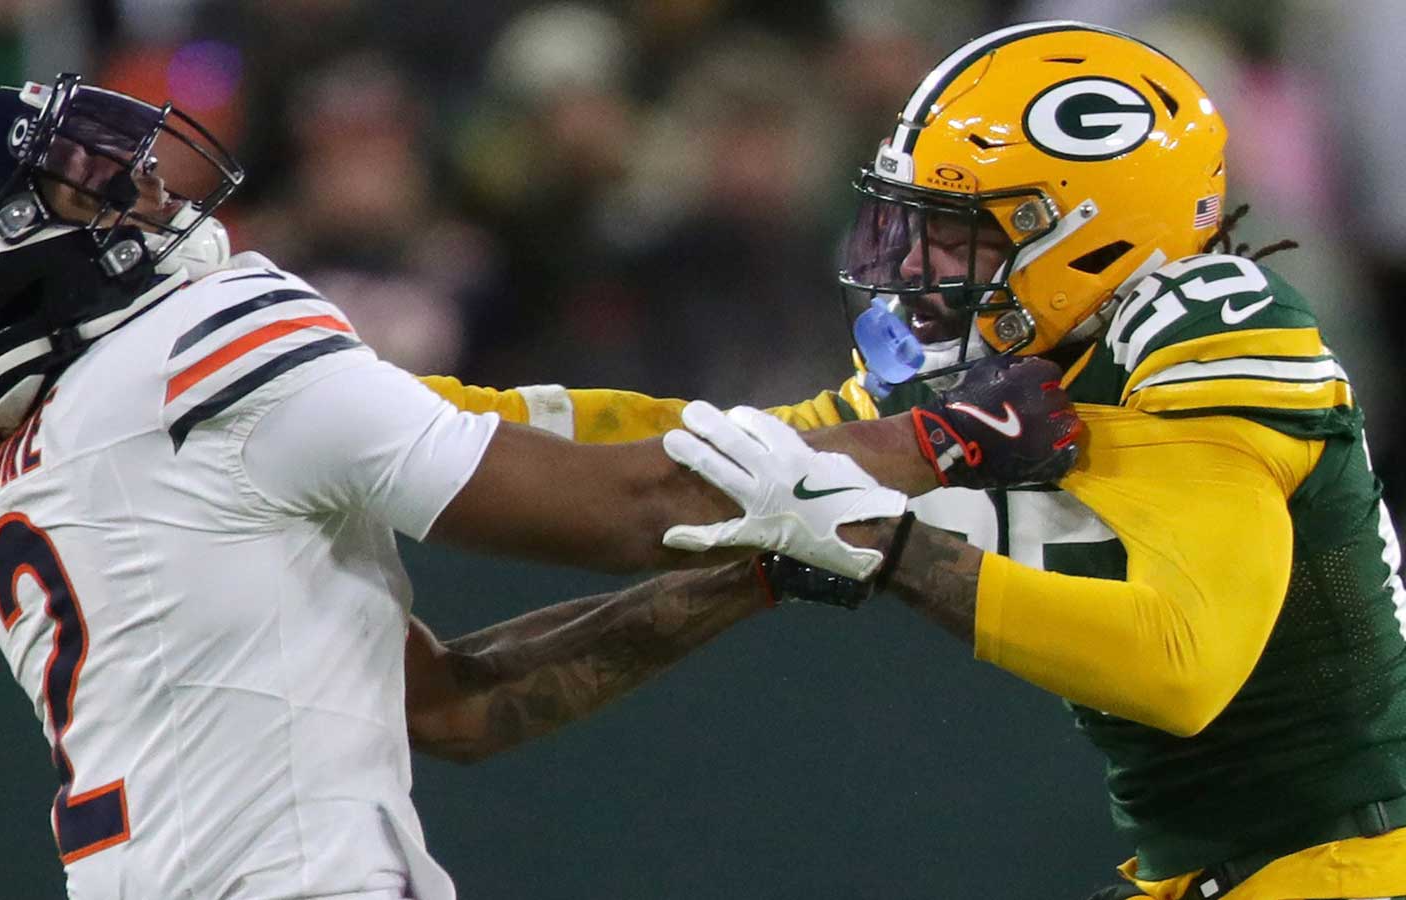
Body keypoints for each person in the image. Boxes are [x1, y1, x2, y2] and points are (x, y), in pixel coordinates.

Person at [0, 76, 1079, 899]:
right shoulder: (193, 352)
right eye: (77, 186)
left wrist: (759, 570)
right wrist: (945, 439)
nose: (142, 188)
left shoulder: (12, 484)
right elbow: (627, 509)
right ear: (2, 263)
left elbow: (464, 708)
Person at [425, 20, 1406, 900]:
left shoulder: (1207, 331)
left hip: (1346, 864)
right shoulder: (1001, 374)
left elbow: (1184, 666)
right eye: (915, 225)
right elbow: (714, 438)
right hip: (1215, 868)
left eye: (959, 234)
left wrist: (877, 542)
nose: (915, 267)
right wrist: (409, 405)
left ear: (1096, 234)